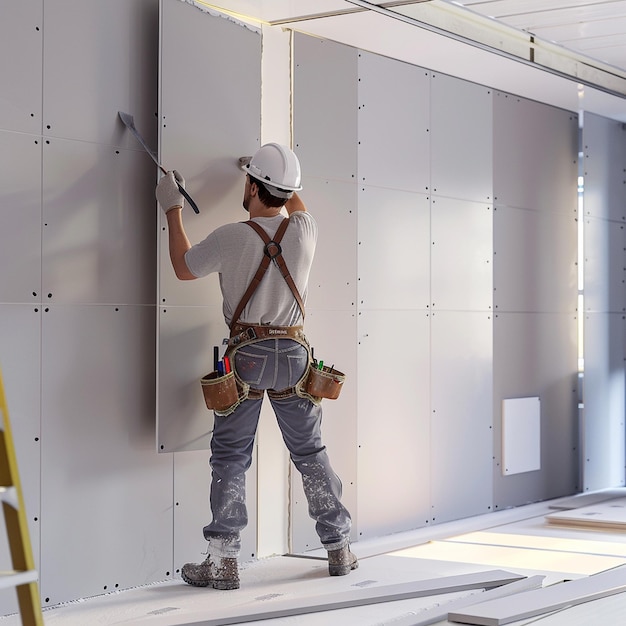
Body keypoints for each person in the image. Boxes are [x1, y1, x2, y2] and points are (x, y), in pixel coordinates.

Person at [155, 143, 357, 590]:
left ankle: (223, 560)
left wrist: (172, 207)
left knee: (231, 456)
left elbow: (184, 267)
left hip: (246, 357)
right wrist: (266, 172)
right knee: (310, 453)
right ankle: (339, 547)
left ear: (250, 186)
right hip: (295, 358)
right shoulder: (305, 230)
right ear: (286, 192)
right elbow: (294, 204)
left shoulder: (231, 237)